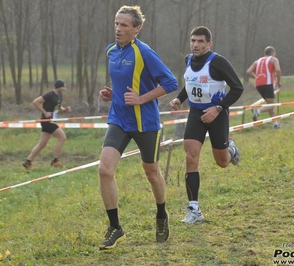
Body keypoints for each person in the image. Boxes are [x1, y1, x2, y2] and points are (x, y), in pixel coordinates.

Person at [97, 5, 178, 250]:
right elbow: (124, 84)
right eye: (116, 24)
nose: (118, 29)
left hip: (146, 124)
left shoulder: (144, 52)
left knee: (152, 174)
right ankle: (115, 227)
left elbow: (171, 82)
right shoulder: (111, 50)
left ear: (136, 28)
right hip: (119, 120)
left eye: (124, 25)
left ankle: (161, 215)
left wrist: (142, 98)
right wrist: (113, 95)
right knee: (104, 170)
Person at [169, 26, 243, 224]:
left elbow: (238, 88)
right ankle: (194, 209)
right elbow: (191, 84)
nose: (196, 45)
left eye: (201, 41)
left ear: (209, 44)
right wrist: (179, 98)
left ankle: (231, 150)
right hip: (195, 114)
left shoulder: (218, 62)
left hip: (217, 114)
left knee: (222, 162)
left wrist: (218, 108)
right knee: (190, 155)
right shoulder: (189, 60)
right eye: (193, 40)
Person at [22, 80, 71, 169]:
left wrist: (64, 110)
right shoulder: (50, 95)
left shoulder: (59, 96)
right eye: (63, 87)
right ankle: (55, 161)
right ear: (58, 87)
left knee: (42, 144)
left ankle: (28, 162)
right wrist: (45, 112)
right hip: (47, 121)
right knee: (62, 137)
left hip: (52, 121)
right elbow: (36, 102)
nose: (65, 89)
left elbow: (58, 107)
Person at [246, 46, 282, 128]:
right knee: (271, 105)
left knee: (269, 104)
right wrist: (278, 82)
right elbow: (278, 70)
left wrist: (257, 77)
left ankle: (275, 124)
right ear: (272, 53)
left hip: (258, 85)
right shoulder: (273, 59)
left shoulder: (257, 61)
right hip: (268, 83)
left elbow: (249, 71)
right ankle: (257, 111)